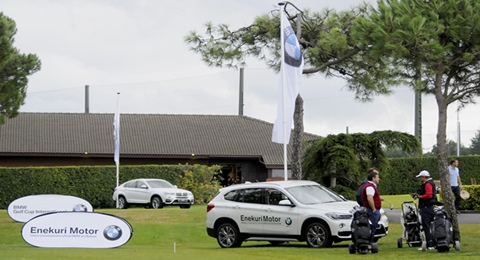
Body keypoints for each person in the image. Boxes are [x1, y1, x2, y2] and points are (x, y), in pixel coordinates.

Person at [411, 170, 437, 250]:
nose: (420, 179)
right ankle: (431, 243)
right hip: (429, 206)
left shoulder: (428, 183)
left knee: (426, 226)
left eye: (420, 177)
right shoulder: (430, 183)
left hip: (426, 207)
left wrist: (419, 196)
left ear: (423, 177)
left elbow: (429, 195)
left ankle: (429, 244)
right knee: (429, 225)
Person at [361, 169, 381, 240]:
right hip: (371, 210)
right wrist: (374, 209)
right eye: (377, 177)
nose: (379, 179)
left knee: (374, 225)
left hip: (372, 209)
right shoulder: (370, 186)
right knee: (373, 226)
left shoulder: (371, 186)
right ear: (373, 178)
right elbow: (369, 198)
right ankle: (370, 240)